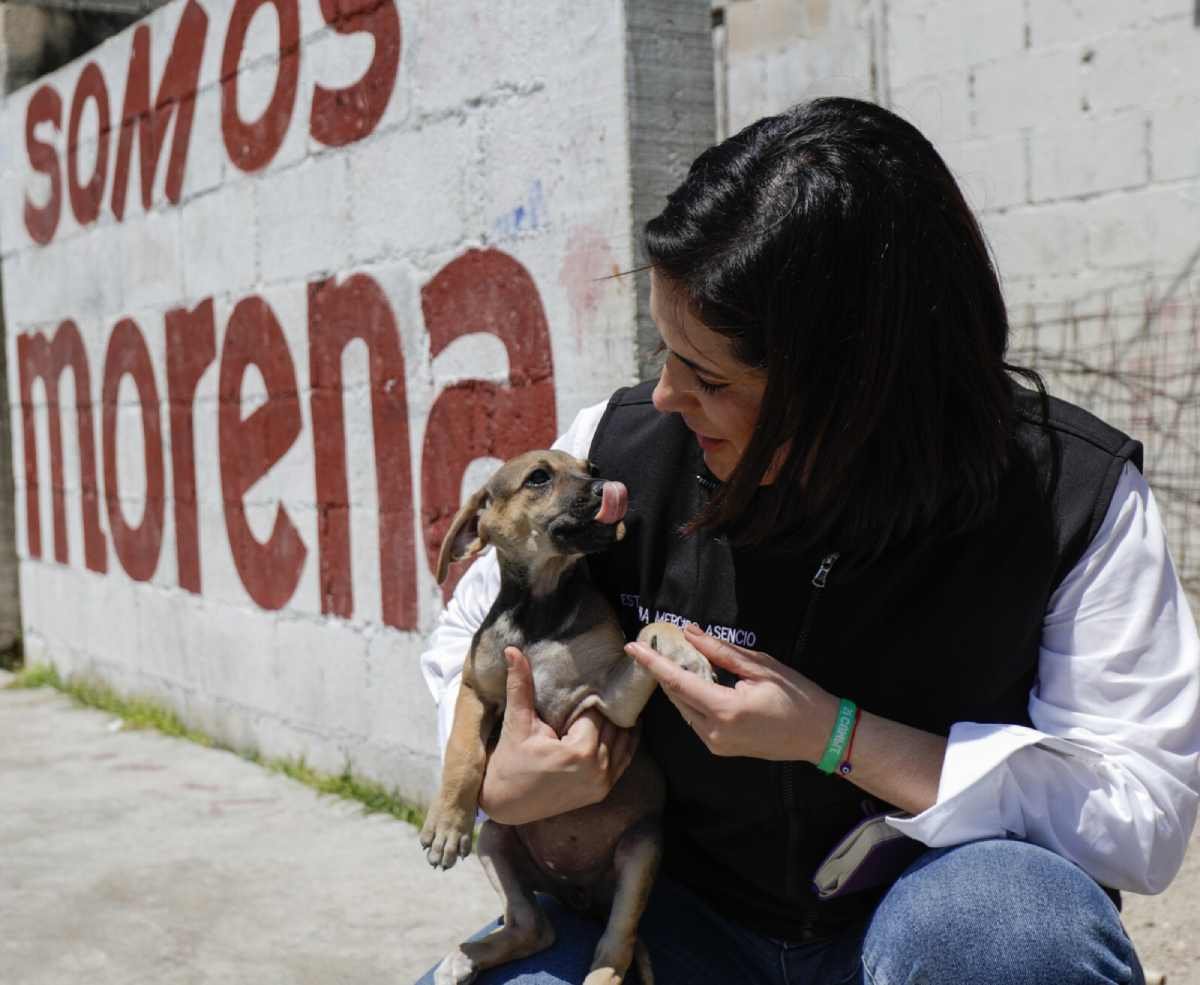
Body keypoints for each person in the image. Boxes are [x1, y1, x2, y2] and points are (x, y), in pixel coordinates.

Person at [417, 97, 1200, 985]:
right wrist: (503, 769)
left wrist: (837, 736)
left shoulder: (1069, 497)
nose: (666, 395)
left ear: (856, 391)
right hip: (675, 916)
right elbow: (467, 637)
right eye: (664, 351)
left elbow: (1140, 815)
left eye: (708, 376)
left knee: (1008, 933)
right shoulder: (620, 450)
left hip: (921, 916)